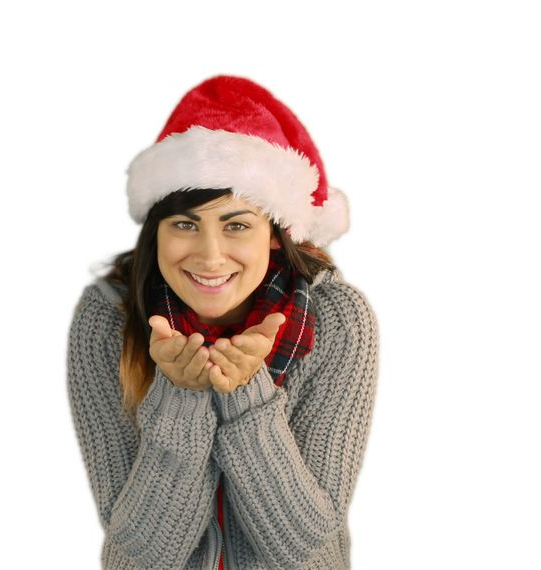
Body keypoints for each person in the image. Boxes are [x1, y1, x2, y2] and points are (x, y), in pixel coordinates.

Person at [67, 75, 379, 570]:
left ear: (275, 236)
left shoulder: (338, 321)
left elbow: (303, 545)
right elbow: (144, 553)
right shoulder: (107, 318)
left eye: (236, 225)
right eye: (185, 224)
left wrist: (245, 393)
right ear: (157, 233)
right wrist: (181, 393)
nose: (210, 257)